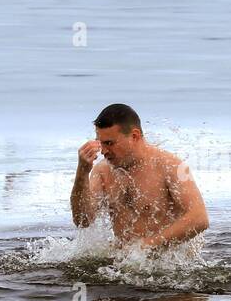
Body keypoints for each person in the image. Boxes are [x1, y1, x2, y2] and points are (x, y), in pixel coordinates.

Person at [70, 103, 209, 248]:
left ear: (134, 136)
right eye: (100, 143)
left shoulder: (172, 166)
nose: (103, 151)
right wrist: (82, 173)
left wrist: (147, 246)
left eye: (109, 143)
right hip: (127, 264)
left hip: (168, 264)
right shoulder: (102, 171)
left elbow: (199, 219)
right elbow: (83, 221)